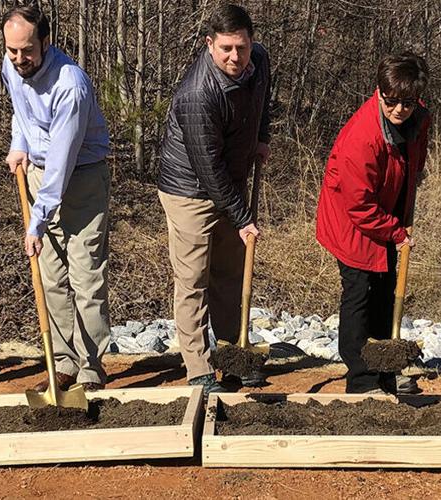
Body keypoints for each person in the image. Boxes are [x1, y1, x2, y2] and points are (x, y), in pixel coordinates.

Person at [158, 4, 271, 393]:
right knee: (193, 279)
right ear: (209, 44)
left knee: (230, 274)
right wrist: (242, 217)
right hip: (189, 188)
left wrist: (262, 137)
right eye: (225, 48)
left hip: (231, 177)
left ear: (251, 42)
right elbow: (208, 170)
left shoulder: (259, 59)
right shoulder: (196, 95)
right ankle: (200, 369)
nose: (235, 57)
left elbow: (262, 98)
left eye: (241, 47)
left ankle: (233, 356)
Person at [1, 6, 114, 392]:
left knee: (85, 274)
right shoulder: (11, 65)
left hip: (80, 176)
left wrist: (37, 220)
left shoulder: (71, 85)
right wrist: (19, 144)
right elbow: (21, 112)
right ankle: (63, 361)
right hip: (37, 172)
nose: (19, 59)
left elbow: (63, 161)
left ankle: (90, 366)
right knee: (52, 276)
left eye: (27, 50)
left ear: (45, 42)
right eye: (13, 50)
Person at [315, 53, 432, 395]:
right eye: (391, 101)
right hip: (352, 223)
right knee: (360, 295)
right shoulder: (363, 139)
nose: (399, 110)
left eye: (407, 103)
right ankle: (362, 381)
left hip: (386, 211)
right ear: (379, 92)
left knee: (385, 290)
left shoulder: (417, 117)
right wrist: (396, 232)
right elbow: (358, 205)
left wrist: (410, 192)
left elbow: (416, 154)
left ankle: (385, 371)